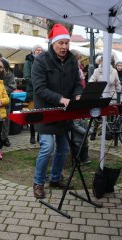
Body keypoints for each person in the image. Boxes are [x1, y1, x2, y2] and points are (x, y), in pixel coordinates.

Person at [31, 24, 82, 199]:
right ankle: (38, 183)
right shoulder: (41, 60)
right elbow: (39, 88)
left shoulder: (72, 60)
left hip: (65, 112)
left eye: (67, 43)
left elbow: (77, 84)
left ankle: (55, 178)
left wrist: (77, 96)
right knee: (47, 147)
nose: (64, 47)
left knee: (63, 148)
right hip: (46, 112)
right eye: (61, 43)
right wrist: (61, 99)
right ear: (53, 43)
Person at [89, 55, 121, 140]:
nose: (104, 62)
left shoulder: (114, 71)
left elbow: (117, 84)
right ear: (101, 61)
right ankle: (94, 131)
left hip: (111, 97)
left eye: (106, 60)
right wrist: (92, 86)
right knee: (96, 112)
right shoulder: (97, 71)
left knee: (109, 114)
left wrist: (119, 96)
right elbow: (91, 80)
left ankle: (107, 132)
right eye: (102, 60)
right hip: (100, 97)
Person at [23, 44, 44, 144]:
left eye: (41, 50)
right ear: (33, 52)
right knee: (32, 114)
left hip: (43, 92)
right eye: (37, 50)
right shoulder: (28, 62)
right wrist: (38, 84)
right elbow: (27, 77)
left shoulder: (44, 62)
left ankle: (40, 135)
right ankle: (32, 135)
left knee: (41, 114)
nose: (39, 51)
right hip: (32, 92)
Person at [0, 57, 17, 147]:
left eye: (0, 66)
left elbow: (12, 87)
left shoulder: (10, 75)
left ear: (5, 67)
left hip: (6, 101)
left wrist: (1, 89)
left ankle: (5, 138)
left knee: (5, 121)